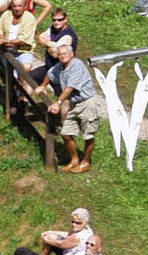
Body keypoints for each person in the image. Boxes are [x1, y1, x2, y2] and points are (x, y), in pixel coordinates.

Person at [33, 44, 102, 173]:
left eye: (65, 53)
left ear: (72, 54)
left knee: (88, 135)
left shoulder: (77, 66)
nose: (62, 56)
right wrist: (43, 85)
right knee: (65, 133)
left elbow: (70, 88)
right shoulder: (60, 67)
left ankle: (86, 162)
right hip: (74, 104)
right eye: (60, 54)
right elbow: (50, 73)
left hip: (88, 103)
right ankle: (74, 160)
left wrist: (58, 102)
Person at [0, 0, 38, 76]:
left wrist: (7, 41)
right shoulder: (6, 14)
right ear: (11, 6)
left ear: (25, 6)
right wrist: (4, 42)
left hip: (23, 51)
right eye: (15, 6)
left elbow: (24, 40)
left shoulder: (29, 18)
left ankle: (20, 83)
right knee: (9, 73)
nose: (17, 9)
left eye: (20, 6)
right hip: (7, 48)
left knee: (26, 67)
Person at [31, 8, 77, 84]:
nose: (56, 22)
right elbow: (40, 39)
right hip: (49, 67)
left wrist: (46, 44)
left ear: (66, 19)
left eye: (60, 20)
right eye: (54, 20)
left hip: (62, 71)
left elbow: (55, 54)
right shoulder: (52, 28)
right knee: (28, 78)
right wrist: (51, 45)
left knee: (60, 94)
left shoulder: (68, 35)